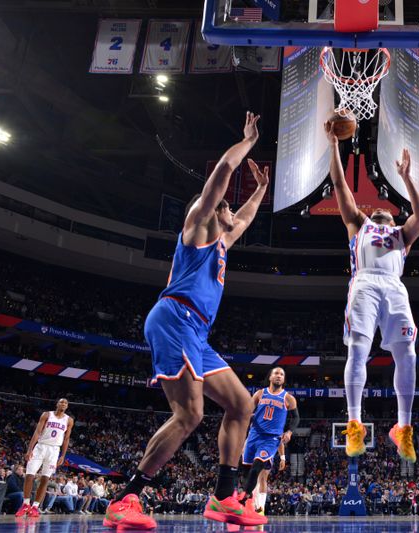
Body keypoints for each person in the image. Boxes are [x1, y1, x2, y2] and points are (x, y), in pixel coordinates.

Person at [104, 112, 268, 530]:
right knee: (190, 415)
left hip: (196, 331)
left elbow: (245, 219)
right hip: (174, 318)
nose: (234, 213)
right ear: (217, 210)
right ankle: (126, 498)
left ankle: (224, 497)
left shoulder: (223, 243)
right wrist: (247, 141)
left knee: (241, 403)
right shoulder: (197, 227)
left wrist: (262, 190)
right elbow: (222, 173)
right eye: (228, 206)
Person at [324, 123, 419, 462]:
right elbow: (339, 184)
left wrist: (407, 178)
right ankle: (354, 423)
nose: (381, 208)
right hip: (365, 283)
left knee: (408, 355)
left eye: (387, 208)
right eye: (377, 208)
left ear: (393, 215)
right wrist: (332, 144)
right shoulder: (359, 224)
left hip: (396, 289)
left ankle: (404, 428)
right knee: (358, 350)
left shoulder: (402, 234)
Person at [234, 367, 298, 520]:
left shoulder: (288, 398)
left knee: (258, 466)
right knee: (246, 470)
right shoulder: (260, 394)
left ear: (284, 379)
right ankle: (252, 503)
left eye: (282, 374)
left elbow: (296, 418)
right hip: (254, 436)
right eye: (276, 373)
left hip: (271, 439)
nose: (279, 376)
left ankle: (244, 500)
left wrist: (289, 432)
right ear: (270, 377)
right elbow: (247, 410)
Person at [16, 398, 74, 518]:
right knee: (29, 475)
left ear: (67, 406)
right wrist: (29, 449)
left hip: (54, 450)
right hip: (41, 447)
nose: (63, 404)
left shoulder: (69, 420)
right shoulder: (47, 414)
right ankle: (26, 504)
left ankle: (35, 507)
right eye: (61, 402)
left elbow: (66, 439)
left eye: (65, 403)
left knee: (45, 479)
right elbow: (37, 432)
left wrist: (63, 455)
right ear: (57, 404)